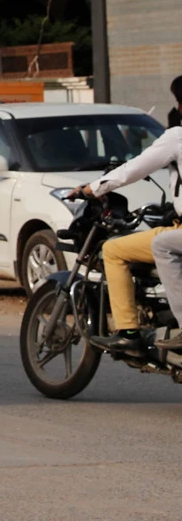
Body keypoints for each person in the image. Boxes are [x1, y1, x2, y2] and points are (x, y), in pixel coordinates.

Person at [78, 74, 182, 352]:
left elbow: (133, 169)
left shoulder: (177, 137)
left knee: (116, 250)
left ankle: (129, 332)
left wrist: (92, 189)